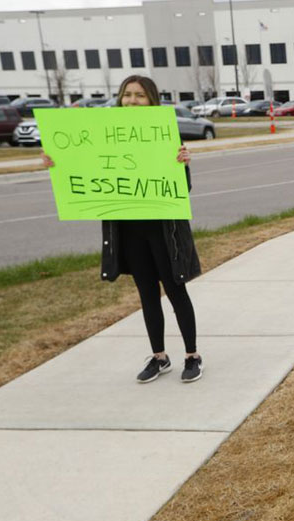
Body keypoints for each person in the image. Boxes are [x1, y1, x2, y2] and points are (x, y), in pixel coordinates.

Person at [44, 75, 203, 383]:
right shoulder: (104, 134)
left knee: (175, 290)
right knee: (146, 294)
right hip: (129, 230)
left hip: (163, 229)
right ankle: (159, 357)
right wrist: (58, 162)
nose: (132, 100)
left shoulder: (164, 135)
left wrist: (183, 163)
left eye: (139, 95)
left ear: (152, 100)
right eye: (126, 95)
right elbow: (83, 165)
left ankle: (192, 355)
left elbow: (183, 188)